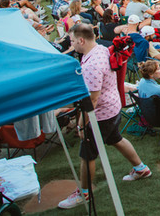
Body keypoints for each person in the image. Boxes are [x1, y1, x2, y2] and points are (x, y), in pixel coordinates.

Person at [58, 24, 151, 210]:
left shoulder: (92, 65)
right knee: (115, 138)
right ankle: (141, 169)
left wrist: (81, 124)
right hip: (113, 107)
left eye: (73, 41)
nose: (72, 44)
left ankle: (84, 193)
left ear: (81, 40)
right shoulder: (100, 49)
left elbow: (92, 100)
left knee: (87, 155)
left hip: (101, 115)